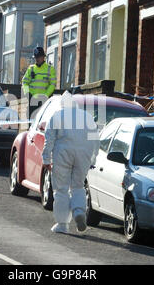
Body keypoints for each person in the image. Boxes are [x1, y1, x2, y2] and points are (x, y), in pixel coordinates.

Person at [42, 92, 100, 234]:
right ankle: (79, 211)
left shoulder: (57, 116)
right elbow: (96, 139)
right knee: (78, 186)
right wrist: (93, 158)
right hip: (84, 153)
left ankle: (62, 224)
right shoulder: (87, 117)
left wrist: (46, 159)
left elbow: (49, 139)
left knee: (61, 188)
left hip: (63, 152)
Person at [22, 47, 57, 119]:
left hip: (44, 101)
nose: (37, 59)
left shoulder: (50, 69)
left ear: (43, 57)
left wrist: (46, 96)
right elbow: (24, 82)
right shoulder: (31, 68)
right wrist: (28, 94)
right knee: (31, 122)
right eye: (36, 57)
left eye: (39, 57)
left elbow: (52, 84)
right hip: (32, 100)